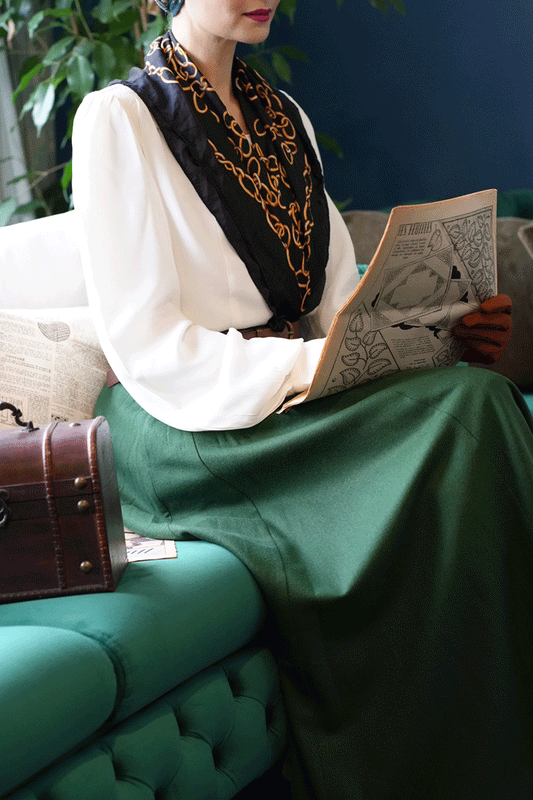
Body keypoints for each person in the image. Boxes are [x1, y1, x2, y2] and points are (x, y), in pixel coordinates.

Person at [71, 1, 533, 797]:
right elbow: (145, 342)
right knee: (473, 411)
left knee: (475, 393)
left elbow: (335, 311)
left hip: (291, 388)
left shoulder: (285, 118)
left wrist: (445, 333)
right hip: (181, 418)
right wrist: (310, 365)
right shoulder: (116, 118)